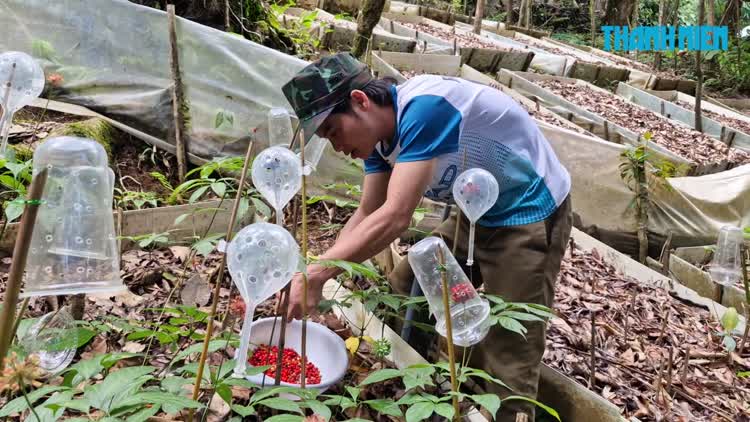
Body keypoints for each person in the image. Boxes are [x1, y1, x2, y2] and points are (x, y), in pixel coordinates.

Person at [280, 52, 572, 421]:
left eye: (332, 131)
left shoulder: (425, 108)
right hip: (476, 210)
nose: (336, 147)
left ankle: (510, 412)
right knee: (406, 288)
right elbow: (369, 210)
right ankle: (418, 386)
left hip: (527, 213)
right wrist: (314, 271)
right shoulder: (380, 140)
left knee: (509, 344)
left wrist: (318, 275)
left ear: (360, 101)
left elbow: (396, 216)